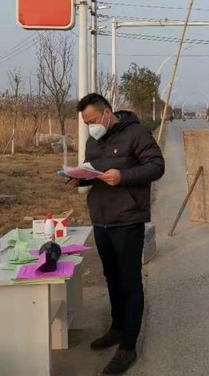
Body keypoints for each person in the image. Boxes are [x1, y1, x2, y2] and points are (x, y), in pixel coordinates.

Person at [68, 93, 165, 375]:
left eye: (93, 120)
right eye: (86, 122)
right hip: (101, 219)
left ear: (107, 113)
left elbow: (157, 166)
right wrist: (78, 178)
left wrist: (123, 177)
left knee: (130, 282)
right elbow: (91, 170)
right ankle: (117, 327)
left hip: (127, 219)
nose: (90, 126)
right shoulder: (92, 140)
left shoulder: (136, 134)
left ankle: (128, 347)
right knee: (111, 277)